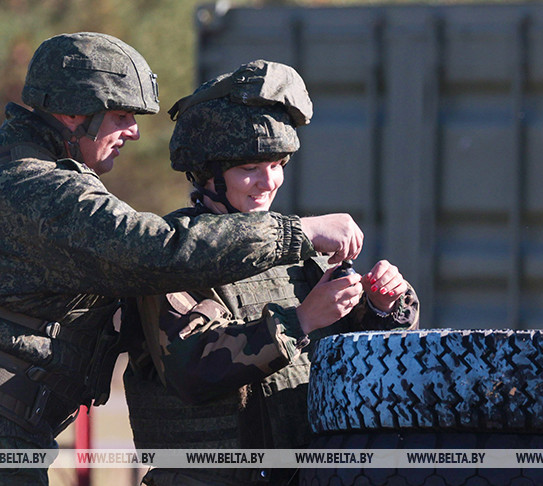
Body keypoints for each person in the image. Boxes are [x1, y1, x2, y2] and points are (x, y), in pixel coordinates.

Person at [0, 34, 365, 486]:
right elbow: (155, 252)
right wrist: (298, 232)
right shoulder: (38, 187)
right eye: (120, 115)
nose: (133, 132)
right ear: (74, 113)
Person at [122, 60, 420, 486]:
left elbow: (354, 365)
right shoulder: (174, 253)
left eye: (277, 164)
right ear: (207, 174)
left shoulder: (295, 251)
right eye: (249, 169)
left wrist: (380, 306)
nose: (268, 182)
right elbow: (192, 371)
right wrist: (301, 319)